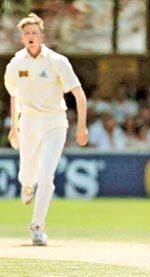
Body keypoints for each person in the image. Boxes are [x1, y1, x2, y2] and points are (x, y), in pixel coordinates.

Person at [3, 13, 88, 246]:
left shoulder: (57, 61)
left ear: (42, 36)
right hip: (28, 122)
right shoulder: (15, 64)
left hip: (55, 123)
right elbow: (14, 96)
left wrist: (82, 126)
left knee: (46, 174)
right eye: (27, 33)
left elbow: (79, 94)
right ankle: (27, 186)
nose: (31, 37)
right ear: (22, 37)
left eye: (34, 33)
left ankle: (37, 227)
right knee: (28, 176)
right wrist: (14, 128)